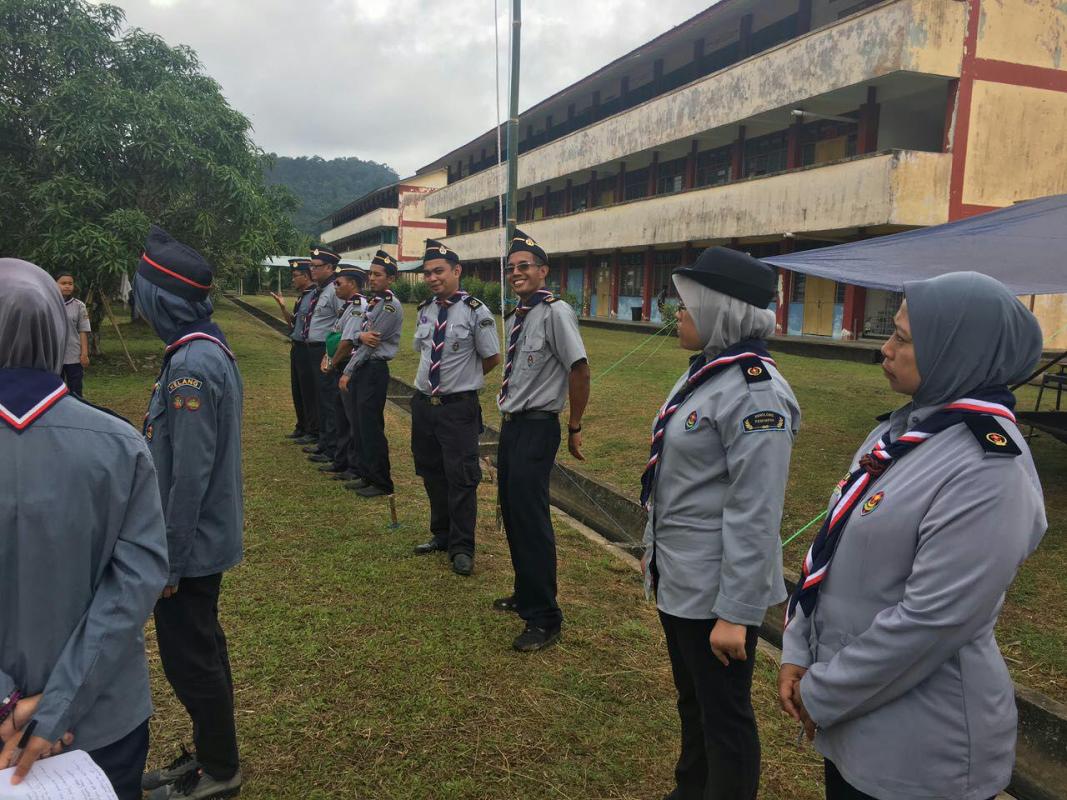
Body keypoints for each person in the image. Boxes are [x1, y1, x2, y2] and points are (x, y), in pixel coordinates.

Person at [779, 272, 1047, 800]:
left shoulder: (988, 469)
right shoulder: (901, 432)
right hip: (853, 717)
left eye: (902, 337)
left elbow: (932, 621)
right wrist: (797, 649)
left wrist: (822, 691)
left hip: (922, 748)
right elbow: (834, 553)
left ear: (956, 350)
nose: (885, 348)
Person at [0, 258, 169, 800]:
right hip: (99, 723)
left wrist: (8, 706)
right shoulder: (119, 445)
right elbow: (133, 587)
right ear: (58, 329)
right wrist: (55, 707)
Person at [642, 247, 800, 800]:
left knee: (726, 718)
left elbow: (756, 512)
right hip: (681, 576)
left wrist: (736, 614)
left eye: (685, 304)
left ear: (722, 310)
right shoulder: (707, 375)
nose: (676, 314)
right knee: (694, 702)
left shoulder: (757, 393)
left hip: (716, 592)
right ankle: (691, 789)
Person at [134, 225, 244, 800]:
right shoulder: (203, 345)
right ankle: (209, 756)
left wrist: (169, 563)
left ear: (160, 299)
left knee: (190, 660)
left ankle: (220, 772)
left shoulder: (191, 365)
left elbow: (189, 476)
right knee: (203, 649)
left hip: (191, 547)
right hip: (201, 541)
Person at [493, 230, 590, 652]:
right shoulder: (518, 316)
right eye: (511, 268)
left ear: (543, 271)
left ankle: (545, 617)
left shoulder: (556, 312)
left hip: (537, 426)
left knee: (531, 519)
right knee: (511, 512)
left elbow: (580, 369)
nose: (516, 273)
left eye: (524, 266)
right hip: (512, 425)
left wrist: (575, 425)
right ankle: (525, 592)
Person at [410, 239, 500, 576]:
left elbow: (491, 358)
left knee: (461, 477)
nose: (432, 278)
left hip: (458, 409)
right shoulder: (425, 309)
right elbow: (423, 351)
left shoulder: (477, 311)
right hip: (424, 405)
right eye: (427, 273)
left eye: (439, 271)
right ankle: (442, 534)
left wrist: (463, 380)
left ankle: (463, 547)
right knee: (431, 471)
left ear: (457, 271)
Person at [340, 250, 404, 498]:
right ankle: (366, 474)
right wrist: (358, 337)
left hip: (373, 369)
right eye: (371, 273)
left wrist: (346, 371)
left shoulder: (389, 306)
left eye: (378, 275)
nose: (372, 278)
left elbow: (370, 343)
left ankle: (380, 482)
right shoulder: (376, 302)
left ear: (391, 279)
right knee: (359, 423)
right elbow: (361, 336)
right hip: (363, 368)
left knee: (371, 427)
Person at [319, 265, 368, 477]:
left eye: (338, 283)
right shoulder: (347, 306)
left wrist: (332, 363)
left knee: (350, 420)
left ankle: (353, 466)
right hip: (338, 364)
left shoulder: (358, 306)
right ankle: (340, 460)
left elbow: (348, 341)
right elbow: (335, 334)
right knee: (340, 415)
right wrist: (327, 357)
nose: (335, 286)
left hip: (348, 366)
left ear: (353, 284)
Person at [301, 246, 342, 464]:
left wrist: (332, 354)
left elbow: (342, 322)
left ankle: (332, 447)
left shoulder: (336, 290)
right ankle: (324, 442)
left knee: (328, 399)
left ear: (329, 267)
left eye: (316, 267)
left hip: (325, 351)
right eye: (311, 266)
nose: (312, 270)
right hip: (312, 349)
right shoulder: (320, 290)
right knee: (320, 397)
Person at [271, 258, 317, 443]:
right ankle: (302, 425)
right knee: (297, 389)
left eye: (295, 276)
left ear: (306, 276)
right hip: (296, 347)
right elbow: (293, 324)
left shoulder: (315, 296)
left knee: (308, 391)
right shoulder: (302, 297)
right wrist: (282, 307)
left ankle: (312, 430)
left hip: (307, 349)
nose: (293, 280)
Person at [55, 272, 91, 396]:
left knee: (76, 390)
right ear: (55, 284)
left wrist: (84, 354)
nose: (67, 286)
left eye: (70, 283)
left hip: (73, 356)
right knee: (55, 391)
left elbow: (83, 330)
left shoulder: (79, 306)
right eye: (63, 283)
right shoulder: (49, 303)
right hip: (54, 357)